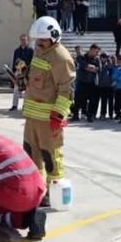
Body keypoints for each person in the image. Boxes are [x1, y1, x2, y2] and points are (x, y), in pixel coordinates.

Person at [22, 16, 75, 207]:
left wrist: (58, 116)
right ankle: (35, 191)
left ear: (54, 36)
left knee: (51, 157)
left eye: (42, 40)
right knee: (29, 155)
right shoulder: (39, 52)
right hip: (32, 117)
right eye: (37, 40)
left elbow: (66, 90)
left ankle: (54, 194)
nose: (39, 43)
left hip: (48, 119)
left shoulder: (62, 58)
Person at [73, 44, 100, 122]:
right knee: (78, 99)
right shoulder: (82, 57)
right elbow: (83, 66)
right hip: (82, 81)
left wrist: (89, 67)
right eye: (96, 51)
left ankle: (90, 116)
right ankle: (75, 115)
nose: (97, 53)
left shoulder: (97, 59)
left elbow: (99, 69)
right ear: (91, 50)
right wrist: (92, 67)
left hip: (92, 82)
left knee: (92, 100)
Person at [10, 34, 34, 111]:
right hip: (18, 73)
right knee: (16, 89)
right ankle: (14, 105)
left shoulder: (31, 51)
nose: (23, 41)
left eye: (25, 40)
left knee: (26, 91)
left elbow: (32, 63)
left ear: (27, 41)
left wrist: (28, 71)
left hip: (27, 74)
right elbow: (14, 62)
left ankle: (25, 106)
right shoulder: (16, 51)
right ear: (20, 41)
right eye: (22, 40)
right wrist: (14, 73)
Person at [97, 53, 115, 119]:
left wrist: (109, 62)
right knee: (103, 101)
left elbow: (112, 70)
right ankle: (103, 114)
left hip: (110, 86)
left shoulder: (110, 65)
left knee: (110, 101)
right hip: (102, 86)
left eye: (105, 57)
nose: (104, 59)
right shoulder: (99, 65)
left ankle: (111, 114)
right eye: (103, 57)